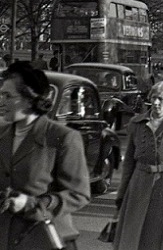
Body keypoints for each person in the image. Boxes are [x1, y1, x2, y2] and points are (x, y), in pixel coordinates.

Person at [0, 61, 90, 250]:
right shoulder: (1, 133)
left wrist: (36, 203)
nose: (1, 101)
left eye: (7, 96)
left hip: (40, 237)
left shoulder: (62, 137)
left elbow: (78, 194)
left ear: (29, 98)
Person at [115, 80, 163, 250]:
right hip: (138, 183)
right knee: (133, 233)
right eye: (154, 98)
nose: (156, 103)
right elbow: (128, 162)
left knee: (159, 235)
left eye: (161, 99)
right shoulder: (137, 123)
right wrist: (122, 193)